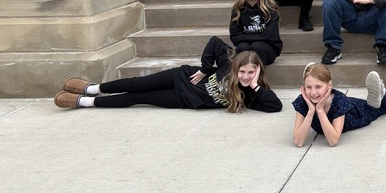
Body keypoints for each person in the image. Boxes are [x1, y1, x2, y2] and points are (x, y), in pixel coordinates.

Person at [54, 38, 282, 113]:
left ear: (258, 71)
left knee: (138, 98)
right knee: (138, 83)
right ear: (236, 68)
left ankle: (85, 102)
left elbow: (276, 106)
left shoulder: (252, 94)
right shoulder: (227, 66)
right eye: (242, 71)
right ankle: (93, 88)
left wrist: (254, 86)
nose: (244, 76)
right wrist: (204, 69)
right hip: (181, 77)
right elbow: (215, 42)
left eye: (250, 72)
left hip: (185, 99)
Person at [292, 63, 386, 147]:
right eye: (309, 87)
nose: (313, 93)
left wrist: (319, 110)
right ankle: (313, 71)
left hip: (357, 111)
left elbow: (333, 141)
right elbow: (298, 142)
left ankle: (382, 91)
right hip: (345, 102)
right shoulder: (303, 100)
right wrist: (311, 111)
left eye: (318, 86)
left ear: (329, 85)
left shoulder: (339, 101)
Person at [229, 0, 283, 65]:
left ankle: (258, 78)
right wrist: (258, 37)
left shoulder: (270, 10)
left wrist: (246, 37)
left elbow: (271, 37)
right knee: (242, 48)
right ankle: (244, 77)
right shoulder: (237, 10)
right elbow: (235, 37)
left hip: (267, 49)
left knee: (256, 46)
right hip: (246, 47)